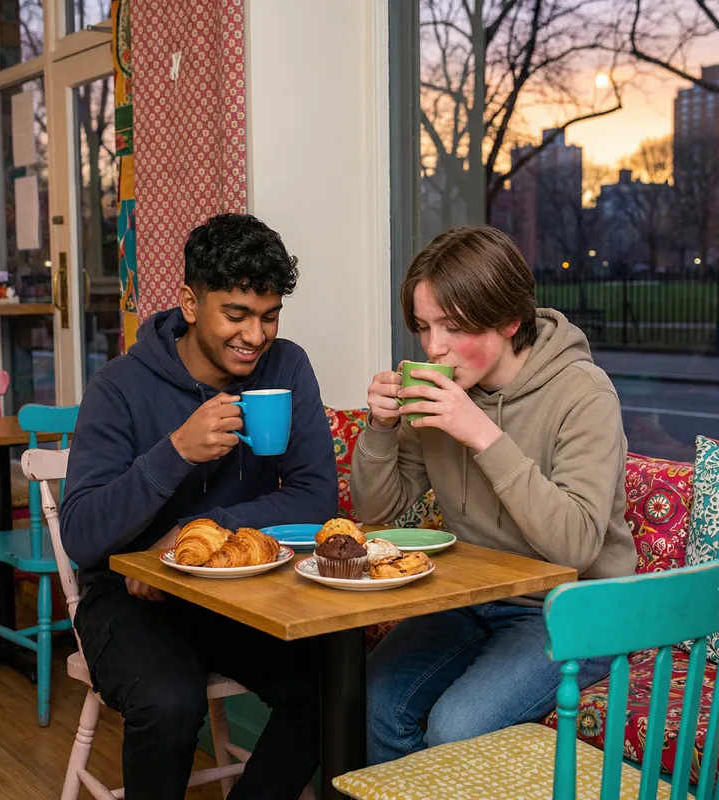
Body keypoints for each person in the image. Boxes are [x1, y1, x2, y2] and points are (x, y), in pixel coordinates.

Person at [61, 213, 338, 799]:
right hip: (128, 598)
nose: (255, 336)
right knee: (168, 702)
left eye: (268, 316)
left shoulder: (287, 367)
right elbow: (82, 535)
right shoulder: (120, 387)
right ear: (190, 302)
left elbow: (314, 500)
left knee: (333, 685)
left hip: (239, 589)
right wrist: (175, 454)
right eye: (235, 315)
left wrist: (198, 529)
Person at [351, 225, 637, 765]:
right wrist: (381, 427)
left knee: (457, 726)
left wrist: (481, 433)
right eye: (423, 327)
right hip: (472, 597)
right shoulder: (437, 390)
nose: (434, 347)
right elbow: (377, 512)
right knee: (373, 701)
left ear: (509, 321)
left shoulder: (584, 393)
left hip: (576, 609)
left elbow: (575, 546)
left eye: (453, 327)